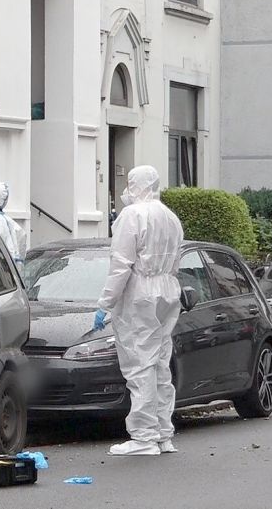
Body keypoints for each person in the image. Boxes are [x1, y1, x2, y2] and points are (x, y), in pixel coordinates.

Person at [95, 165, 184, 456]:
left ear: (136, 185)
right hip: (168, 289)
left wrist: (105, 303)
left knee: (140, 364)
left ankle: (144, 437)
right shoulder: (171, 217)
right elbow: (175, 261)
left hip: (140, 292)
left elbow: (121, 263)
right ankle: (162, 433)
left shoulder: (132, 215)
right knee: (159, 362)